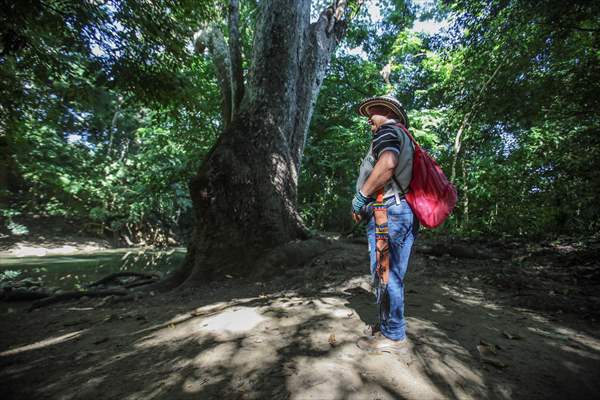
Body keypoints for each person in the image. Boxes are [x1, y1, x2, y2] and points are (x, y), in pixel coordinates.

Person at [351, 95, 419, 353]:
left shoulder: (387, 130)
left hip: (389, 213)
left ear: (389, 112)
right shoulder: (403, 135)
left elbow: (387, 164)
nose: (368, 117)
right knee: (390, 273)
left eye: (372, 111)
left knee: (385, 273)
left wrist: (360, 197)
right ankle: (389, 325)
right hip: (399, 211)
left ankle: (393, 336)